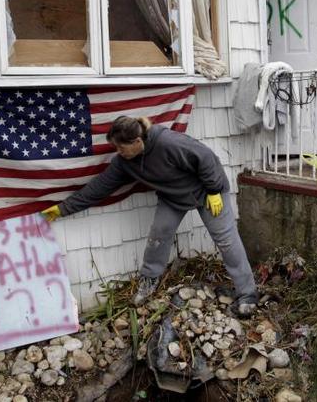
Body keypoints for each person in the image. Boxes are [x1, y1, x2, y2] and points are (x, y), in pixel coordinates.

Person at [42, 116, 258, 317]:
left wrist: (214, 189)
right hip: (173, 198)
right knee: (158, 236)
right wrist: (63, 209)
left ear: (137, 141)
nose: (118, 151)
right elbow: (99, 187)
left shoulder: (169, 142)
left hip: (208, 192)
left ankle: (247, 294)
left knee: (226, 240)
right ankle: (148, 282)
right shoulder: (124, 162)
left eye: (121, 147)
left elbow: (206, 157)